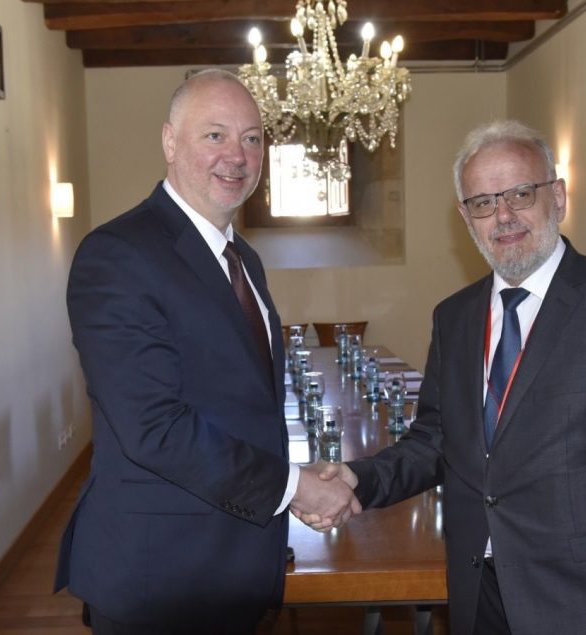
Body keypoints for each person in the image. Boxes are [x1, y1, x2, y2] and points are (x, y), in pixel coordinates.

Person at [304, 120, 586, 634]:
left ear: (557, 197)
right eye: (483, 202)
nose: (503, 216)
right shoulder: (455, 317)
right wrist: (358, 479)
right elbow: (436, 440)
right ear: (466, 218)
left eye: (521, 193)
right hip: (481, 598)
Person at [53, 69, 360, 634]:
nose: (237, 156)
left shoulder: (244, 259)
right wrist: (293, 486)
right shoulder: (117, 254)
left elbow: (243, 403)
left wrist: (292, 476)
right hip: (161, 578)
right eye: (215, 135)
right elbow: (154, 428)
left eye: (252, 138)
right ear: (170, 142)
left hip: (236, 562)